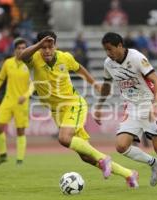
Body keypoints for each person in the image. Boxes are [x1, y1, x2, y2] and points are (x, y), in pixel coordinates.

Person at [18, 30, 138, 188]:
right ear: (39, 47)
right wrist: (39, 44)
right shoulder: (33, 58)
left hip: (73, 104)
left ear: (55, 45)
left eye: (50, 46)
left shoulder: (65, 57)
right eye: (43, 47)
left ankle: (104, 159)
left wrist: (95, 84)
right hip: (57, 111)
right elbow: (22, 56)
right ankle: (128, 174)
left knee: (64, 138)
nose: (47, 51)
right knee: (86, 156)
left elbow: (80, 69)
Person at [95, 32, 157, 192]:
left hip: (149, 104)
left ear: (120, 46)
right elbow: (106, 86)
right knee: (121, 146)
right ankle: (154, 164)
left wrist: (156, 103)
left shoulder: (136, 58)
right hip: (131, 107)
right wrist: (99, 106)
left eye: (110, 49)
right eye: (106, 50)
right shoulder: (108, 64)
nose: (108, 53)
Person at [0, 38, 33, 166]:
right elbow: (0, 79)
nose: (21, 50)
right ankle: (3, 155)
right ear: (14, 50)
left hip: (22, 103)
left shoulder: (29, 64)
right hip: (8, 101)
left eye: (23, 48)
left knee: (20, 131)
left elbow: (33, 84)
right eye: (18, 48)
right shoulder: (8, 63)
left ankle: (19, 160)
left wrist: (26, 95)